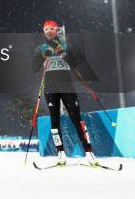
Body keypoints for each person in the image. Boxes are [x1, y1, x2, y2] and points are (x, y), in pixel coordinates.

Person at [32, 20, 98, 166]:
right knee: (54, 121)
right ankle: (60, 154)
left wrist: (63, 53)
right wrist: (41, 57)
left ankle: (89, 153)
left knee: (77, 119)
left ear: (56, 30)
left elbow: (75, 64)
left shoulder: (66, 45)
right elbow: (34, 68)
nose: (48, 31)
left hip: (67, 87)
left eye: (51, 29)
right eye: (46, 29)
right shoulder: (41, 48)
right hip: (50, 88)